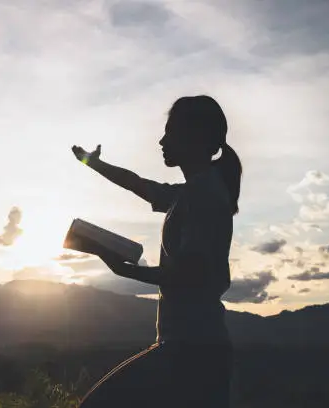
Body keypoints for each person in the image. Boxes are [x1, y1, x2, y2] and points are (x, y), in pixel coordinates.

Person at [71, 95, 241, 408]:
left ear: (197, 137)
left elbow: (188, 275)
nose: (161, 141)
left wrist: (122, 268)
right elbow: (137, 184)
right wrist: (92, 162)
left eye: (170, 132)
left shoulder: (203, 196)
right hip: (186, 347)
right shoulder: (188, 193)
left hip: (193, 353)